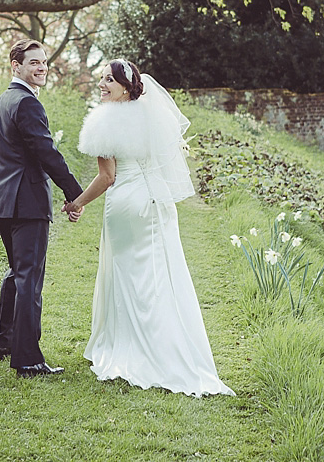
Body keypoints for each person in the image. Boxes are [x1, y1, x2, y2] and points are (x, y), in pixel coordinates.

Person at [62, 59, 234, 397]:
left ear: (125, 86)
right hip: (159, 205)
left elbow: (107, 177)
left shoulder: (104, 120)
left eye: (108, 80)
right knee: (160, 277)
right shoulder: (151, 113)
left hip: (127, 204)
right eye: (101, 79)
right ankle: (169, 347)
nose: (101, 85)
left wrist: (77, 202)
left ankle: (134, 347)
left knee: (128, 277)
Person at [0, 39, 85, 378]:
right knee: (30, 278)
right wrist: (75, 193)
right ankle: (27, 359)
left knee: (16, 272)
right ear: (16, 66)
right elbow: (47, 153)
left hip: (5, 202)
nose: (41, 67)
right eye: (34, 63)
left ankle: (6, 342)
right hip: (27, 204)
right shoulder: (26, 103)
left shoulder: (2, 101)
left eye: (44, 62)